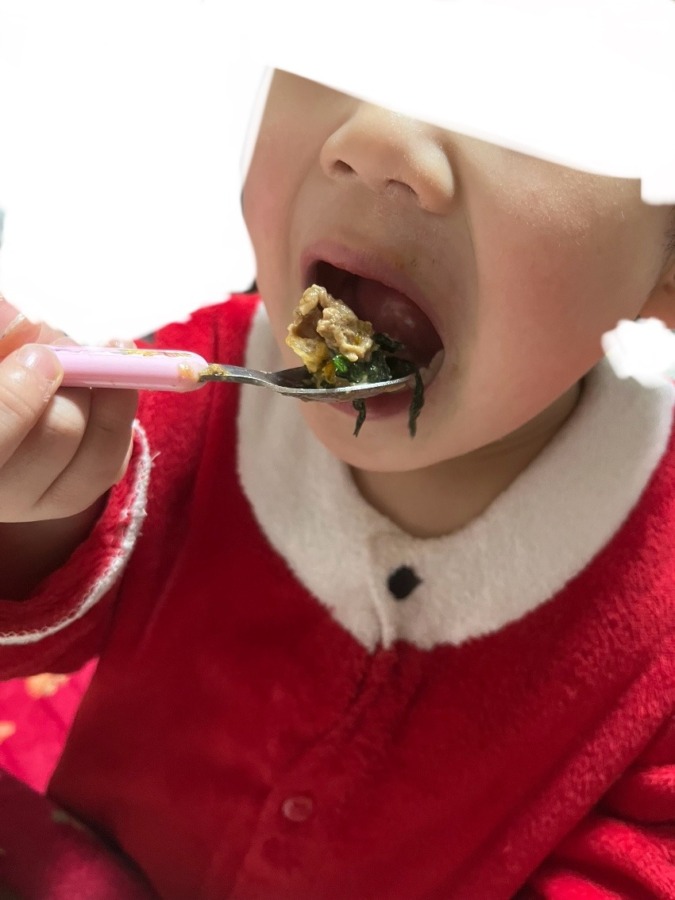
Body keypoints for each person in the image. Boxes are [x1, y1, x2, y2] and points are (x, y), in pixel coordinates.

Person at [0, 68, 674, 899]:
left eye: (527, 106)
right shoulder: (196, 396)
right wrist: (36, 508)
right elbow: (35, 629)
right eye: (347, 51)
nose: (375, 138)